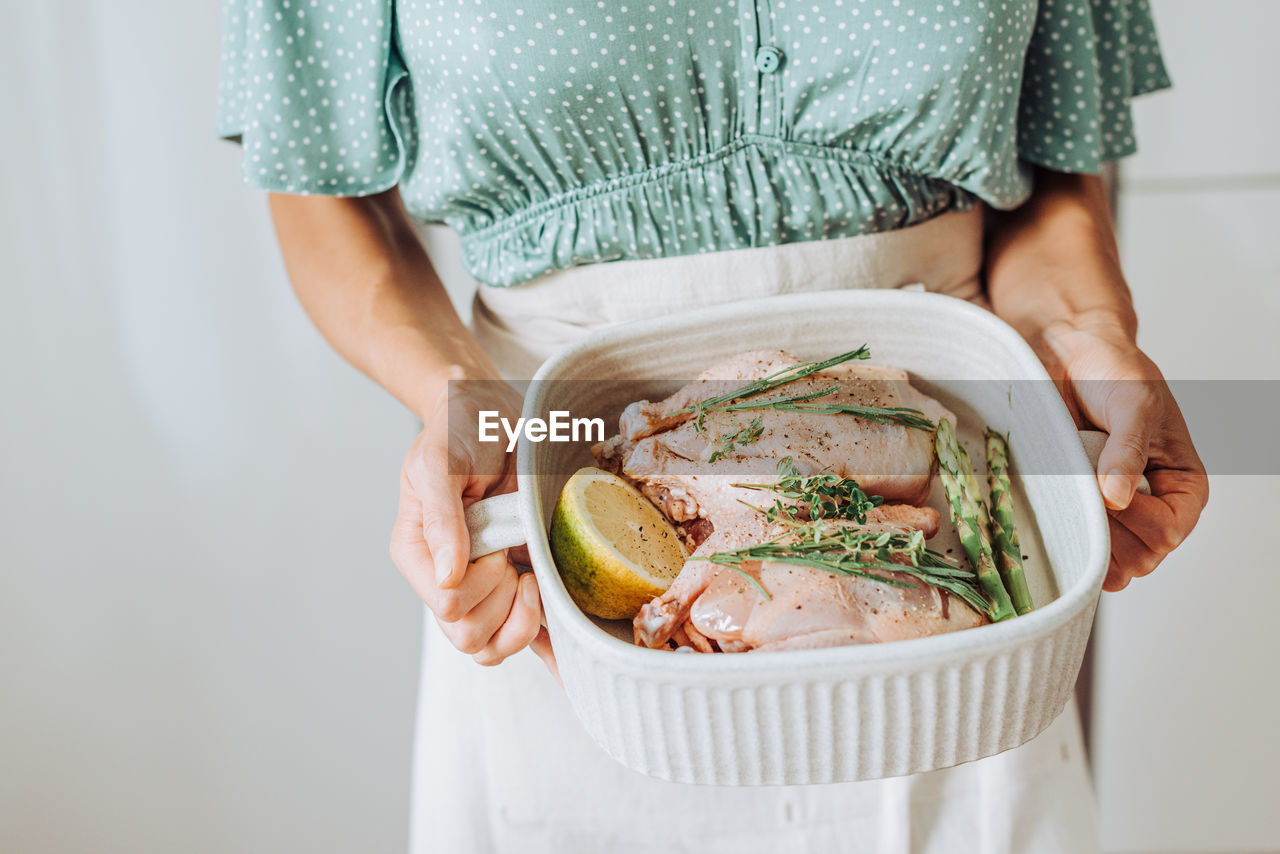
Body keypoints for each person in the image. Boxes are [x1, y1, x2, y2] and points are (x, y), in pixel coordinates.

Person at [218, 0, 1208, 851]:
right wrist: (453, 398)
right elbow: (316, 188)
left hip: (950, 527)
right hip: (568, 529)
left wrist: (1084, 330)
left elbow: (1058, 167)